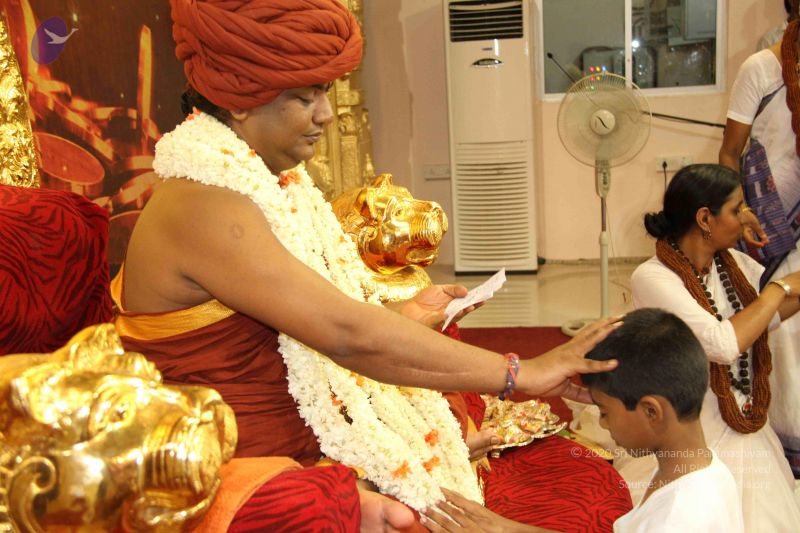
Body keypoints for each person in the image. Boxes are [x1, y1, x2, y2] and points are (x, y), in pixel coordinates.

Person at [112, 0, 619, 528]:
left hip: (311, 429)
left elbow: (317, 317)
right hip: (250, 462)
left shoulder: (273, 181)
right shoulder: (203, 202)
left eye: (326, 92)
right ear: (239, 100)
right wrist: (520, 373)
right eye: (305, 97)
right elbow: (345, 335)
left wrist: (406, 314)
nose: (326, 115)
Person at [420, 309, 744, 533]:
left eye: (604, 412)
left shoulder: (679, 516)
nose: (603, 425)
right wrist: (508, 529)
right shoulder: (701, 469)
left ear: (651, 411)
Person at [630, 164, 800, 531]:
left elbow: (759, 321)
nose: (744, 218)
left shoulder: (733, 264)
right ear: (705, 218)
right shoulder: (652, 277)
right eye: (737, 209)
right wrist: (779, 288)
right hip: (692, 430)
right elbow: (721, 345)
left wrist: (793, 291)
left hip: (741, 420)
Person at [719, 0, 800, 475]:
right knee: (781, 332)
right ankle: (783, 445)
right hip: (769, 224)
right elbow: (730, 152)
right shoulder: (761, 69)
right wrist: (740, 213)